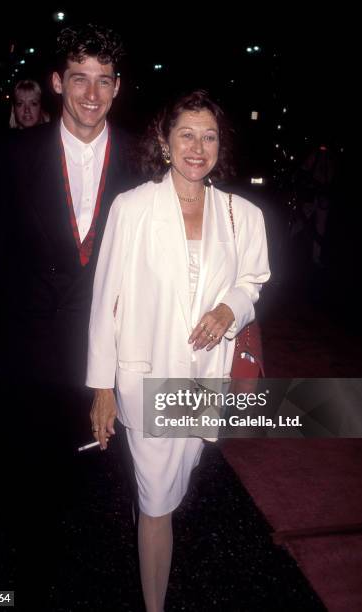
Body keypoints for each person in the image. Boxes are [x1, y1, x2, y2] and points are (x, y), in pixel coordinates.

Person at [0, 23, 134, 598]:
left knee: (79, 463)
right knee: (25, 466)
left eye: (102, 81)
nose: (90, 93)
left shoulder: (137, 158)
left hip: (92, 340)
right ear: (58, 82)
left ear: (117, 87)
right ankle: (31, 576)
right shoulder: (16, 152)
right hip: (25, 332)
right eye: (78, 78)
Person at [86, 90, 270, 612]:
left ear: (220, 147)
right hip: (145, 377)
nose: (197, 146)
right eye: (185, 134)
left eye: (208, 136)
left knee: (177, 483)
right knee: (156, 500)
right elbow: (106, 302)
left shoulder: (243, 215)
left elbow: (254, 281)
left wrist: (229, 309)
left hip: (203, 380)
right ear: (164, 143)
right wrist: (101, 388)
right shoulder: (133, 208)